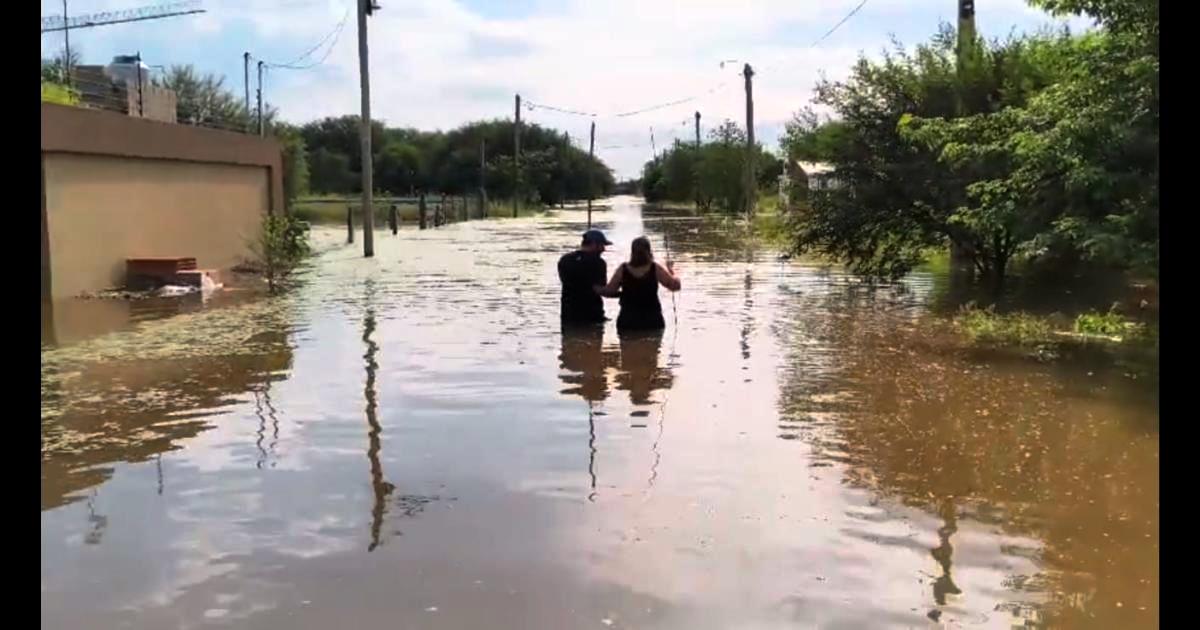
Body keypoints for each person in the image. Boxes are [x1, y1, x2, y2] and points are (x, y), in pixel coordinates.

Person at [599, 236, 681, 331]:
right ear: (649, 251)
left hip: (627, 320)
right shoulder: (654, 268)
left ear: (632, 252)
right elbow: (675, 286)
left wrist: (596, 288)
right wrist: (671, 271)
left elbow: (609, 291)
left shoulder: (623, 269)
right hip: (652, 320)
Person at [559, 229, 613, 326]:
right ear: (594, 244)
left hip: (568, 315)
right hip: (592, 315)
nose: (603, 249)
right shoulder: (598, 263)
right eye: (602, 245)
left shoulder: (565, 260)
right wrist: (625, 294)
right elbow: (600, 290)